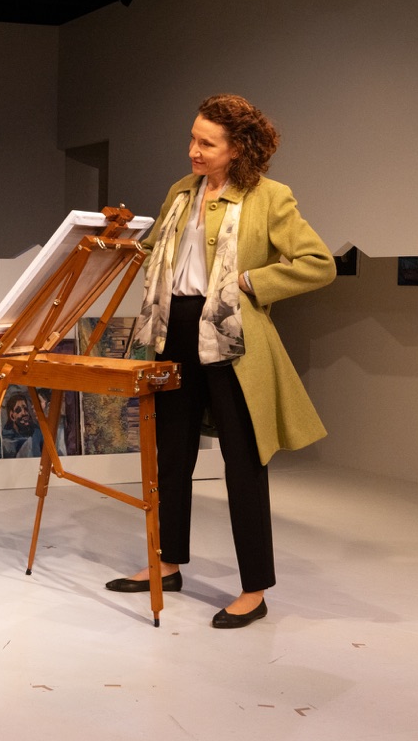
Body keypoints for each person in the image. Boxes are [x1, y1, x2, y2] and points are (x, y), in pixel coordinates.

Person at [110, 94, 335, 629]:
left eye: (206, 143)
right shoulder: (181, 191)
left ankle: (254, 590)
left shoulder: (269, 197)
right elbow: (160, 252)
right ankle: (167, 564)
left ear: (237, 149)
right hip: (173, 332)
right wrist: (121, 244)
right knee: (172, 456)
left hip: (231, 341)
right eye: (192, 138)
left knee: (243, 463)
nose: (193, 150)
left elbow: (318, 263)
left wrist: (252, 281)